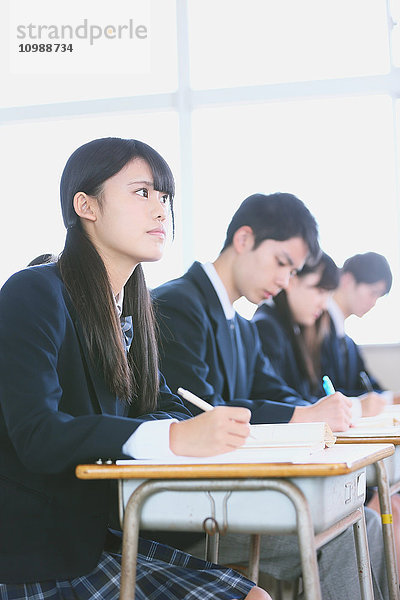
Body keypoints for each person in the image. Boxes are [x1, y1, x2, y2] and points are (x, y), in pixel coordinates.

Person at [0, 137, 270, 600]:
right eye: (141, 193)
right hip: (36, 555)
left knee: (255, 595)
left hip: (99, 536)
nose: (161, 211)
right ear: (86, 205)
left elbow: (163, 402)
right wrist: (171, 437)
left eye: (164, 198)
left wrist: (190, 429)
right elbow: (38, 436)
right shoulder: (33, 292)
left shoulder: (131, 309)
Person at [152, 193, 388, 599]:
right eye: (281, 263)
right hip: (190, 510)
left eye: (293, 270)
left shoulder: (241, 327)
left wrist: (321, 410)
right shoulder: (177, 303)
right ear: (243, 239)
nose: (284, 281)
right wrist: (305, 416)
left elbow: (274, 391)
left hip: (233, 495)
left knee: (360, 519)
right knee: (354, 528)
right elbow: (199, 412)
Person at [253, 252, 386, 420]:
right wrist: (354, 408)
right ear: (292, 279)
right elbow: (276, 398)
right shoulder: (267, 327)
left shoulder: (295, 326)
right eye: (320, 291)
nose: (324, 305)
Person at [322, 251, 400, 402]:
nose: (373, 303)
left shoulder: (348, 342)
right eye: (373, 293)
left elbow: (367, 385)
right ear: (347, 280)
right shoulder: (315, 329)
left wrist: (391, 398)